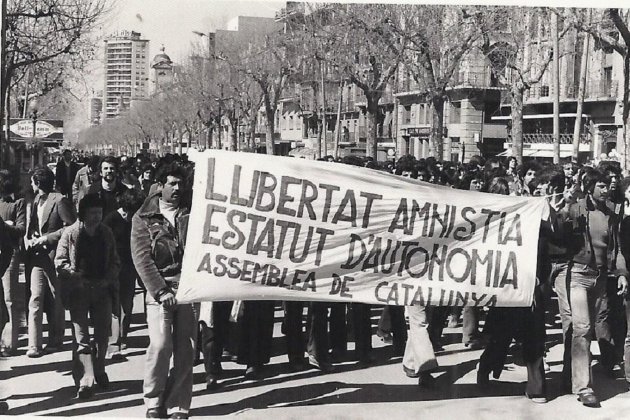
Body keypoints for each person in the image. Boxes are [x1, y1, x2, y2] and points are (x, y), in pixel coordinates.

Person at [131, 162, 197, 419]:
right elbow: (142, 259)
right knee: (160, 346)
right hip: (160, 291)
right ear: (160, 186)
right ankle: (153, 401)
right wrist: (160, 291)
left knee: (186, 350)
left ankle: (179, 405)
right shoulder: (143, 217)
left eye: (181, 183)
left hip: (190, 289)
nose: (178, 188)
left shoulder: (194, 211)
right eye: (172, 183)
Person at [561, 169, 628, 407]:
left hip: (601, 278)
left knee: (592, 327)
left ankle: (571, 376)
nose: (606, 188)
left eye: (607, 185)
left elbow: (616, 247)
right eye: (600, 185)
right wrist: (563, 210)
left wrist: (621, 274)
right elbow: (559, 231)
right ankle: (583, 387)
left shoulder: (611, 213)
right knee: (582, 328)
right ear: (590, 187)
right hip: (578, 274)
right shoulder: (576, 208)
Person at [55, 193, 120, 399]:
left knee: (102, 336)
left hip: (102, 290)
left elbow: (115, 262)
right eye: (92, 213)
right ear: (83, 213)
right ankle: (85, 379)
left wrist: (108, 279)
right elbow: (60, 261)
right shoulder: (70, 234)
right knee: (81, 338)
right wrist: (74, 276)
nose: (96, 217)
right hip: (79, 291)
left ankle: (99, 369)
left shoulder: (106, 233)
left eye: (99, 212)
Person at [24, 167, 76, 357]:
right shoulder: (36, 200)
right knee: (35, 297)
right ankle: (34, 344)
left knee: (56, 298)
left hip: (54, 256)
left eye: (32, 182)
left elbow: (71, 227)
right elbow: (34, 227)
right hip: (37, 256)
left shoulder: (60, 200)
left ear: (38, 183)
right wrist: (30, 238)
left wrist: (47, 238)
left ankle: (55, 339)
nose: (30, 185)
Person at [104, 188, 145, 359]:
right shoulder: (111, 219)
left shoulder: (136, 219)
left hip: (130, 267)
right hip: (113, 267)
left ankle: (123, 338)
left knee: (127, 306)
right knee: (114, 306)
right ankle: (113, 344)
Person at [0, 170, 26, 356]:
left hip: (9, 253)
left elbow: (21, 229)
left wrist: (6, 226)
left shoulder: (18, 202)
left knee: (9, 299)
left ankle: (9, 343)